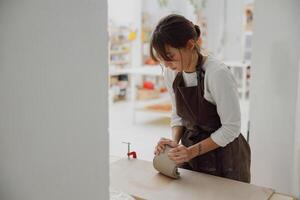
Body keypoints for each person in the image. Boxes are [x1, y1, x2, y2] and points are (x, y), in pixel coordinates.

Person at [151, 14, 250, 183]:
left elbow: (231, 128)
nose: (166, 64)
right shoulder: (172, 72)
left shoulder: (216, 73)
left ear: (190, 45)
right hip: (191, 151)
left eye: (170, 56)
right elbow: (177, 114)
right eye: (161, 58)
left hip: (225, 157)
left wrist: (191, 151)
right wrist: (173, 144)